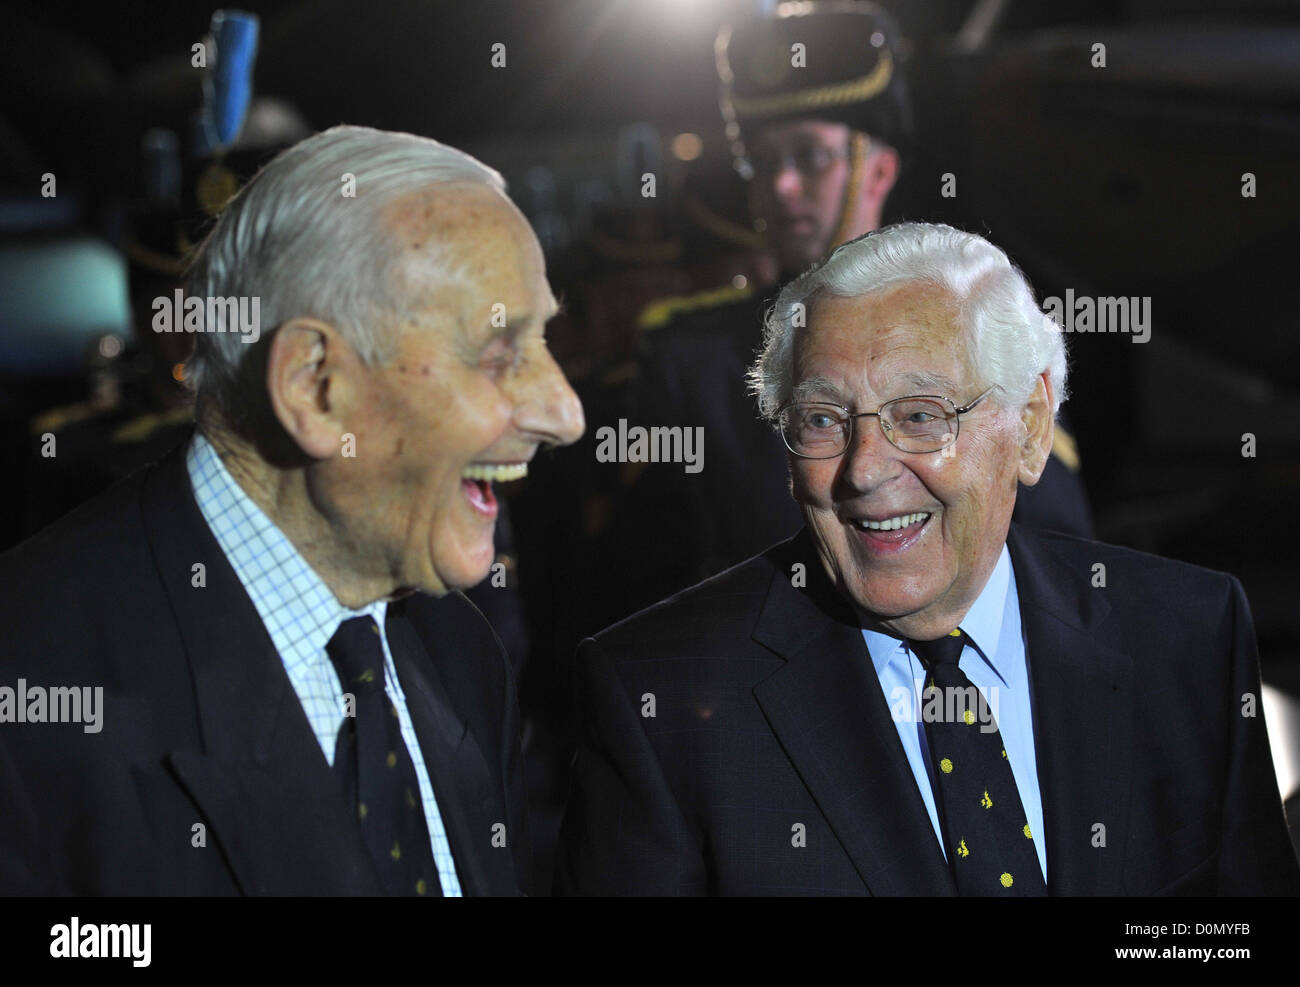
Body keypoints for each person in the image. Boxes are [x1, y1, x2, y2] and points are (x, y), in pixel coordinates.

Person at [555, 222, 1299, 896]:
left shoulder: (1185, 635)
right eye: (822, 420)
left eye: (920, 416)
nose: (864, 470)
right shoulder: (661, 701)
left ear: (1032, 426)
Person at [0, 125, 584, 895]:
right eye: (501, 353)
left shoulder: (456, 649)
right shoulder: (30, 704)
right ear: (314, 386)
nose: (565, 411)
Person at [615, 1, 1090, 618]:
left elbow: (1059, 575)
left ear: (880, 170)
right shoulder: (691, 362)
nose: (782, 187)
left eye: (811, 158)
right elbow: (640, 586)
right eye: (761, 162)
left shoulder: (981, 333)